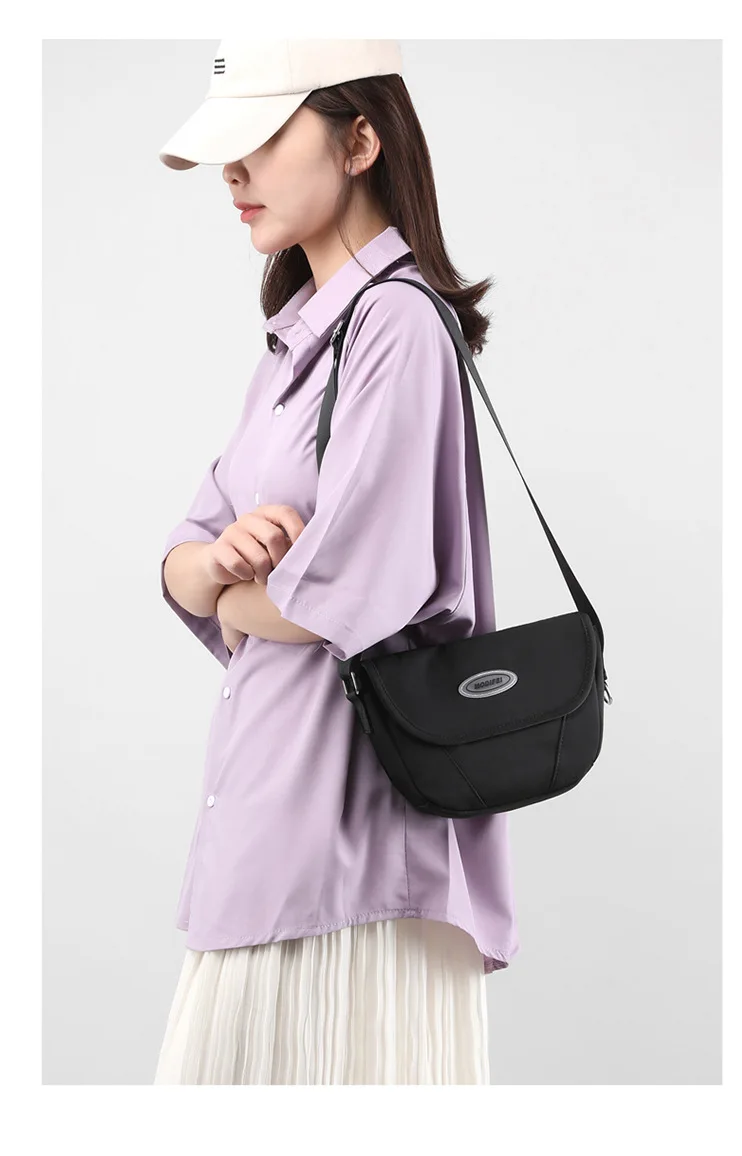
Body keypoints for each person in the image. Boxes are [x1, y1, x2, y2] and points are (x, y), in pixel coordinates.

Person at [153, 39, 519, 1086]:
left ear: (360, 141)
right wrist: (220, 569)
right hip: (272, 823)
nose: (234, 170)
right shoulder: (296, 340)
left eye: (264, 138)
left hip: (352, 854)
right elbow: (183, 553)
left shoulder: (396, 324)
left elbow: (347, 592)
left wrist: (227, 587)